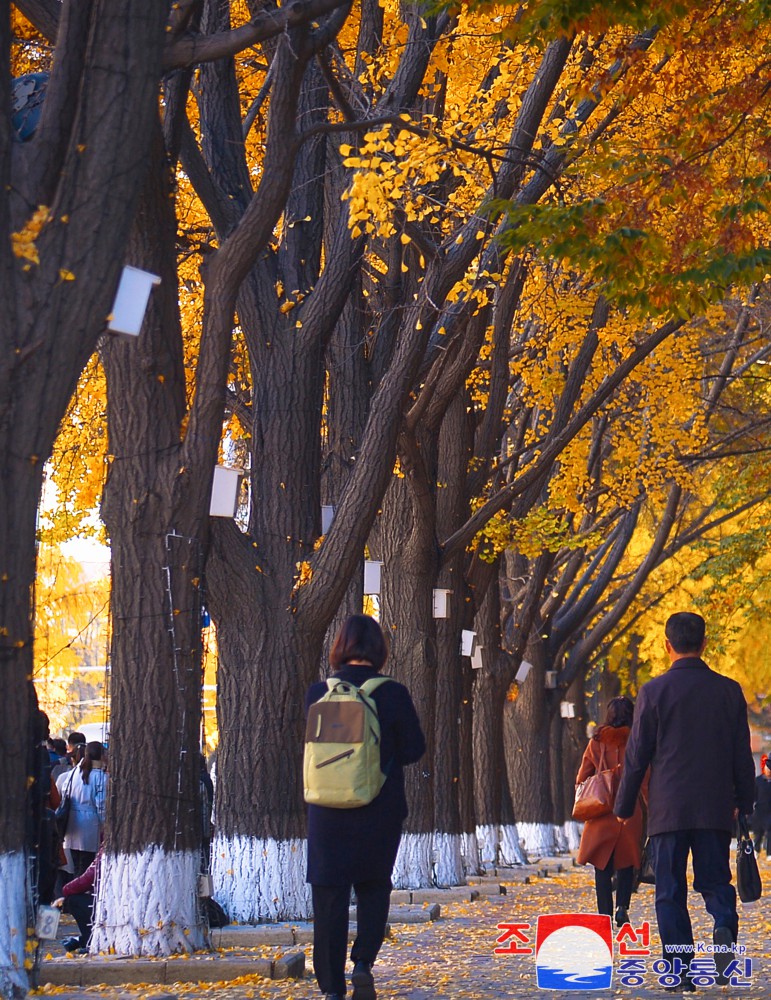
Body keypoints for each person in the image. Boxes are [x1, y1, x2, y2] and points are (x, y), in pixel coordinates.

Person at [614, 612, 755, 991]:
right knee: (715, 881)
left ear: (666, 644)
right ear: (705, 643)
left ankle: (680, 972)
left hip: (668, 809)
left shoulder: (653, 692)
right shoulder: (729, 691)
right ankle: (723, 926)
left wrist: (624, 808)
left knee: (669, 890)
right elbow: (741, 753)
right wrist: (745, 799)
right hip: (715, 806)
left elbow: (637, 755)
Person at [305, 615, 426, 1000]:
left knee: (329, 895)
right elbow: (414, 749)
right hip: (379, 808)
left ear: (339, 647)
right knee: (374, 887)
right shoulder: (392, 693)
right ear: (379, 649)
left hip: (326, 810)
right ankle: (362, 964)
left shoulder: (317, 693)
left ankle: (331, 988)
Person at [576, 696, 646, 927]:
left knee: (601, 863)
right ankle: (622, 906)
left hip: (601, 809)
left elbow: (582, 776)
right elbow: (646, 777)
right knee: (627, 861)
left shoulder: (596, 742)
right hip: (629, 809)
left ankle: (603, 915)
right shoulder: (638, 740)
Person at [56, 740, 108, 879]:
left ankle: (71, 896)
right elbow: (101, 804)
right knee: (86, 868)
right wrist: (105, 824)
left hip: (72, 823)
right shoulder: (101, 776)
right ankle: (78, 898)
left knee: (76, 866)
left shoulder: (74, 773)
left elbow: (65, 793)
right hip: (90, 824)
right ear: (102, 756)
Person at [750, 753, 771, 859]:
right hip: (759, 810)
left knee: (770, 833)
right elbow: (753, 795)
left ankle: (769, 852)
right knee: (758, 833)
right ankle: (756, 849)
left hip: (769, 811)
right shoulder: (758, 781)